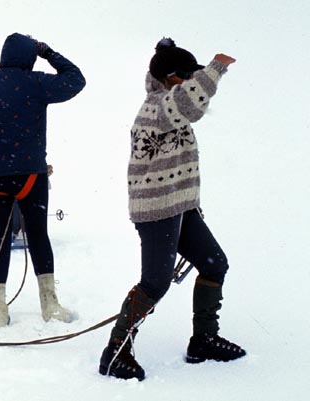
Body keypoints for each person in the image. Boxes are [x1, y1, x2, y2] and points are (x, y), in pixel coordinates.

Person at [98, 38, 246, 381]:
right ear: (173, 78)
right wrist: (216, 68)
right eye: (188, 77)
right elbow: (192, 103)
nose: (195, 84)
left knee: (214, 264)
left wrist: (192, 208)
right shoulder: (158, 107)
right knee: (154, 283)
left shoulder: (166, 104)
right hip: (156, 210)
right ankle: (115, 352)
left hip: (181, 208)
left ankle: (204, 340)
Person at [0, 33, 86, 329]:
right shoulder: (37, 83)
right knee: (38, 236)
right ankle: (50, 305)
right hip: (31, 175)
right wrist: (49, 53)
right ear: (29, 56)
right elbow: (75, 80)